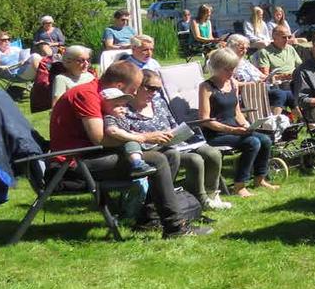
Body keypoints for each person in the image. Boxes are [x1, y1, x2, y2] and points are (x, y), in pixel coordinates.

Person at [49, 60, 210, 237]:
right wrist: (144, 138)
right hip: (72, 164)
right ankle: (175, 228)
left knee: (170, 154)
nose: (133, 96)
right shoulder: (87, 95)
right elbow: (99, 138)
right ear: (119, 85)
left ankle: (150, 219)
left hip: (92, 156)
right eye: (134, 90)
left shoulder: (99, 92)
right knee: (158, 159)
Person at [122, 69, 231, 211]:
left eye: (158, 89)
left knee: (212, 153)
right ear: (137, 87)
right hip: (155, 148)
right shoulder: (125, 109)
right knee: (195, 159)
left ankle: (212, 194)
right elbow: (130, 137)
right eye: (150, 88)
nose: (154, 92)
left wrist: (179, 133)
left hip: (176, 142)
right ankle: (200, 199)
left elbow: (173, 124)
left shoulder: (159, 102)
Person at [198, 48, 277, 197]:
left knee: (265, 140)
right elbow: (205, 120)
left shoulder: (232, 84)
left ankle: (260, 179)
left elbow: (237, 112)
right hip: (216, 133)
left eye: (233, 69)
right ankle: (239, 185)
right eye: (228, 69)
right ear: (217, 68)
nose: (231, 73)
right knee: (252, 143)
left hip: (235, 129)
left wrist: (246, 125)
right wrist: (233, 130)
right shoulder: (206, 87)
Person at [252, 25, 302, 112]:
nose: (287, 40)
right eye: (284, 37)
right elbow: (266, 76)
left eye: (288, 37)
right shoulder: (265, 52)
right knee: (292, 91)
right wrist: (283, 76)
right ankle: (303, 119)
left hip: (295, 81)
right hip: (279, 84)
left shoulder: (290, 49)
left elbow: (301, 67)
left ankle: (306, 119)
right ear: (274, 37)